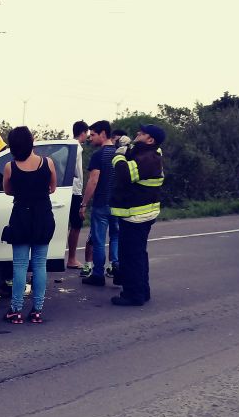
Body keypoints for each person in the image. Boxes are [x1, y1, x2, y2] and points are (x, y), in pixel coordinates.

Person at [2, 125, 57, 323]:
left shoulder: (10, 167)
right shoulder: (48, 163)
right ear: (31, 141)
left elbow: (8, 191)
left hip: (21, 217)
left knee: (20, 266)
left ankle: (16, 310)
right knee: (40, 264)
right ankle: (37, 311)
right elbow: (53, 188)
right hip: (43, 216)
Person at [109, 123, 165, 306]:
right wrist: (127, 146)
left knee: (131, 257)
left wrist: (118, 155)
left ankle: (133, 295)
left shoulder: (148, 159)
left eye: (142, 133)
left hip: (136, 216)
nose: (138, 133)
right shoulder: (148, 153)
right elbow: (134, 156)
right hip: (140, 214)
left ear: (150, 140)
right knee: (138, 254)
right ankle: (142, 291)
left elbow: (124, 174)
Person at [78, 120, 119, 287]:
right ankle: (116, 268)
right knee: (115, 237)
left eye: (93, 135)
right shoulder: (119, 154)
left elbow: (93, 181)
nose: (90, 138)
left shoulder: (98, 155)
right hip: (117, 204)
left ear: (103, 134)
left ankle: (98, 274)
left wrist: (84, 204)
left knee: (99, 240)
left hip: (101, 203)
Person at [66, 121, 88, 269]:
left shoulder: (69, 145)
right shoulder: (77, 148)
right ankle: (72, 259)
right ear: (83, 132)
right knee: (76, 225)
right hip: (74, 192)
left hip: (69, 190)